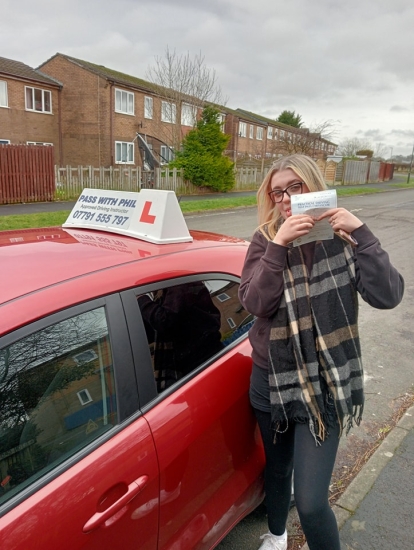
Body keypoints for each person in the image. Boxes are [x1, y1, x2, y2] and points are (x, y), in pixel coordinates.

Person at [238, 154, 404, 550]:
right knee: (277, 472)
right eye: (278, 192)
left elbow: (388, 296)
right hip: (272, 381)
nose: (286, 199)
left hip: (325, 382)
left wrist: (363, 233)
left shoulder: (343, 237)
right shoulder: (266, 239)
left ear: (313, 187)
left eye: (295, 187)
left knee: (312, 504)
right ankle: (276, 535)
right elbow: (255, 303)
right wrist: (279, 244)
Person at [138, 281, 223, 392]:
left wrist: (141, 299)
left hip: (206, 368)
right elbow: (154, 333)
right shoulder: (164, 294)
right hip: (194, 373)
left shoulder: (178, 284)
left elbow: (164, 321)